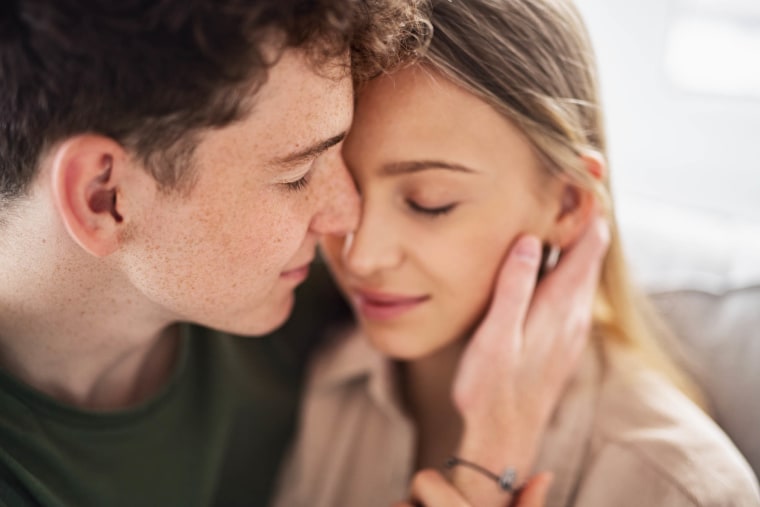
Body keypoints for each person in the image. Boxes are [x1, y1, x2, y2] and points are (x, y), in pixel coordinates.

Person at [0, 0, 608, 506]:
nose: (350, 224)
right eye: (296, 174)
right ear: (105, 196)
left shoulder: (311, 298)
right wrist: (486, 469)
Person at [271, 1, 760, 506]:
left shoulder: (676, 484)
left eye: (429, 203)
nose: (361, 256)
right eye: (335, 188)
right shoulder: (335, 383)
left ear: (568, 203)